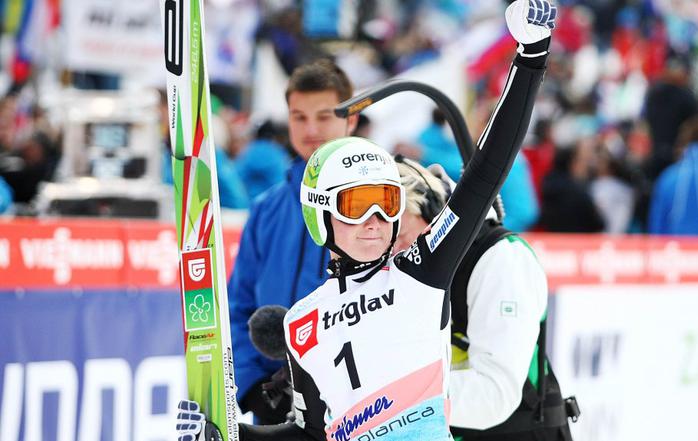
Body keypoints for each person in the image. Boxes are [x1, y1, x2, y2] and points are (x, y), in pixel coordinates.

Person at [178, 1, 556, 439]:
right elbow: (307, 434)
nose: (377, 220)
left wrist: (531, 58)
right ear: (322, 215)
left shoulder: (421, 271)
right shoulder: (303, 321)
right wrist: (227, 435)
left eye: (387, 203)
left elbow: (487, 172)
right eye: (358, 205)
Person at [393, 157, 576, 441]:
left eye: (401, 237)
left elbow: (494, 393)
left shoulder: (500, 261)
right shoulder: (401, 270)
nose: (394, 255)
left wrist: (390, 399)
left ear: (435, 217)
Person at [229, 58, 359, 425]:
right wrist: (253, 387)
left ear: (351, 119)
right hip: (273, 403)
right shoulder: (266, 208)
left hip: (350, 406)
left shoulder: (377, 203)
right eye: (299, 116)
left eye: (324, 115)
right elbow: (239, 306)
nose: (311, 128)